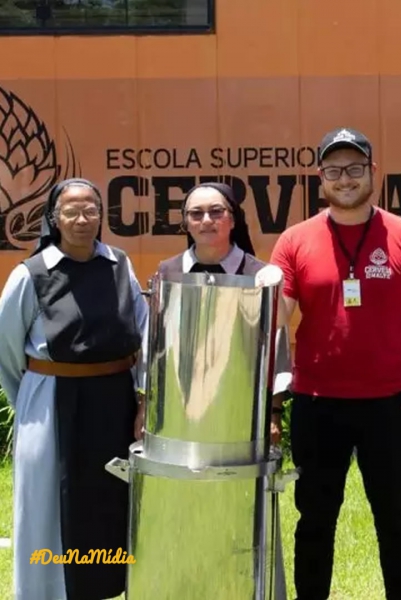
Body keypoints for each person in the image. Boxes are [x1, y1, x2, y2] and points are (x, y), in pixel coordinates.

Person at [270, 127, 401, 600]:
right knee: (315, 521)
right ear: (320, 179)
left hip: (388, 402)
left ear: (373, 172)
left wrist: (388, 341)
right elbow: (279, 315)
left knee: (396, 520)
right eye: (333, 171)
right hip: (316, 401)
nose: (344, 179)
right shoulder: (295, 240)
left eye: (353, 169)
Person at [0, 178, 149, 600]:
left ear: (102, 216)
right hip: (52, 404)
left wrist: (141, 400)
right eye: (71, 211)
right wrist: (32, 402)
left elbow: (144, 332)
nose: (82, 219)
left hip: (115, 406)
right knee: (51, 507)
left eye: (91, 210)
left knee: (108, 504)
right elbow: (6, 349)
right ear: (53, 217)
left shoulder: (119, 265)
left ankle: (106, 587)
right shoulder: (31, 275)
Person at [145, 181, 292, 598]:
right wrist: (145, 405)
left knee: (243, 513)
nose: (206, 221)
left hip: (239, 422)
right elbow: (151, 348)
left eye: (216, 212)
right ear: (185, 222)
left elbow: (276, 350)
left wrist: (274, 413)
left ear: (233, 218)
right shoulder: (167, 272)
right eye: (196, 214)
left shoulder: (261, 276)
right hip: (180, 421)